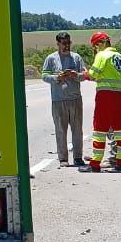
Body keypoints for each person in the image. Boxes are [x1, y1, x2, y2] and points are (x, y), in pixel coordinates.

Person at [41, 32, 86, 166]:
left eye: (68, 43)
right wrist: (56, 78)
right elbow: (44, 76)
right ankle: (63, 159)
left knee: (77, 130)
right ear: (58, 44)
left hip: (75, 100)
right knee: (60, 130)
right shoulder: (51, 59)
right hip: (58, 100)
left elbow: (85, 74)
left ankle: (78, 157)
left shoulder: (76, 58)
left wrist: (75, 75)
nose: (66, 46)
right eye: (64, 43)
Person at [85, 33, 121, 171]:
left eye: (95, 46)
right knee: (119, 129)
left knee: (99, 129)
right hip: (119, 96)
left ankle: (95, 164)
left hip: (105, 96)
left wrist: (84, 73)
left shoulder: (102, 56)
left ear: (100, 44)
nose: (96, 49)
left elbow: (93, 74)